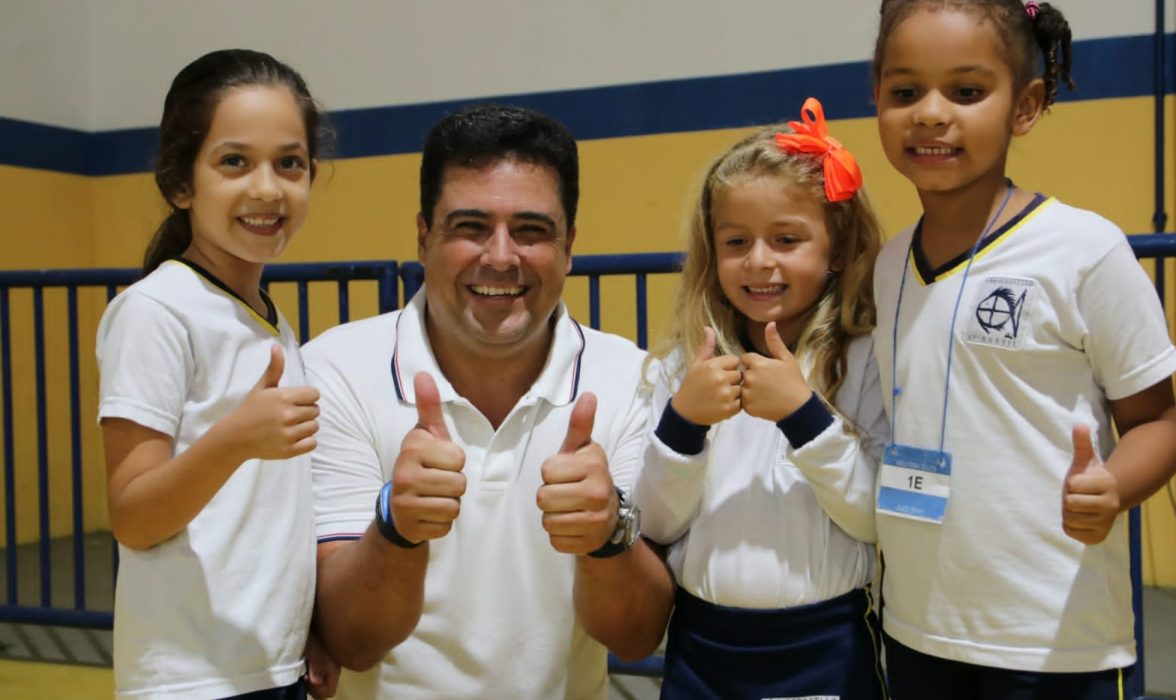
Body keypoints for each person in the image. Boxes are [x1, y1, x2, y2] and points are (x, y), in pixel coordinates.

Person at [303, 103, 675, 699]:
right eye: (470, 226)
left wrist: (608, 537)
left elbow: (634, 637)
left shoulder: (630, 378)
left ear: (570, 246)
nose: (501, 257)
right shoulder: (336, 371)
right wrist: (395, 529)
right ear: (424, 237)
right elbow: (352, 640)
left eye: (531, 230)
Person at [871, 2, 1176, 698]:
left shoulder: (1084, 250)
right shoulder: (889, 264)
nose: (929, 112)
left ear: (1027, 105)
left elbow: (1158, 425)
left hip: (1056, 642)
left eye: (966, 91)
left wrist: (1114, 486)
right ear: (876, 100)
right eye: (904, 92)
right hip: (919, 630)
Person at [96, 49, 338, 699]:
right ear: (181, 182)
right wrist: (234, 438)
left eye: (289, 163)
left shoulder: (268, 320)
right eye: (234, 161)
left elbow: (260, 518)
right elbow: (136, 516)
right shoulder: (156, 311)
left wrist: (299, 631)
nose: (267, 187)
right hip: (190, 680)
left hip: (267, 666)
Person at [633, 98, 889, 700]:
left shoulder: (864, 361)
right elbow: (656, 525)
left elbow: (874, 519)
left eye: (787, 238)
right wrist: (683, 426)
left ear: (841, 247)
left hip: (826, 646)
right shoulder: (683, 367)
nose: (759, 261)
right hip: (700, 647)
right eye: (736, 241)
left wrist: (804, 417)